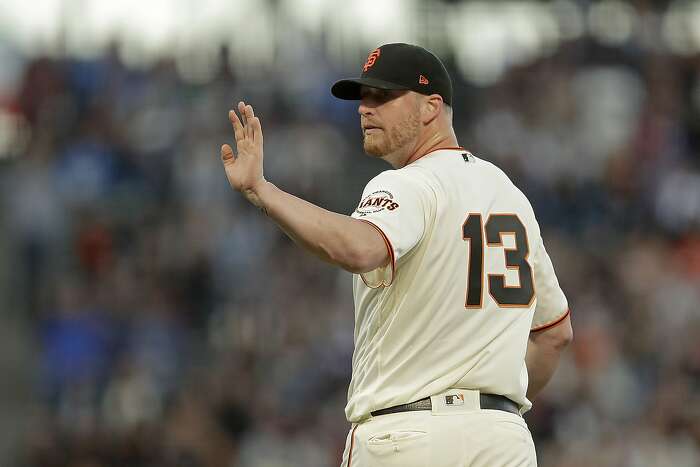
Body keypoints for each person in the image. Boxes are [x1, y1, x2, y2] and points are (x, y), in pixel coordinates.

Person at [220, 43, 573, 467]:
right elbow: (555, 333)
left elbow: (358, 247)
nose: (365, 109)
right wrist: (488, 404)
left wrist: (263, 191)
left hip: (408, 436)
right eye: (363, 98)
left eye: (383, 96)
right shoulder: (511, 196)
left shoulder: (409, 183)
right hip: (502, 442)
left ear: (431, 107)